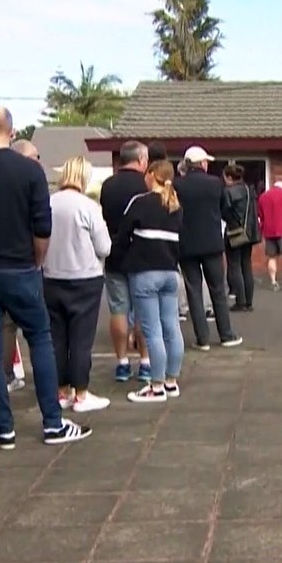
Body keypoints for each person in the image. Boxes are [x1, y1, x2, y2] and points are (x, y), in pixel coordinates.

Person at [0, 106, 89, 448]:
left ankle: (5, 429)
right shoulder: (29, 171)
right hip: (21, 267)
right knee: (39, 338)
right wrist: (37, 258)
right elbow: (42, 223)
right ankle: (52, 423)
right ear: (11, 132)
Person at [44, 156, 112, 413]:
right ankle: (81, 394)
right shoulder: (89, 207)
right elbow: (104, 247)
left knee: (57, 339)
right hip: (85, 279)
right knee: (81, 340)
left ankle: (61, 391)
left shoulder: (47, 203)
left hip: (51, 277)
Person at [119, 161, 187, 403]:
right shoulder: (176, 205)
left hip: (145, 273)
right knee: (172, 327)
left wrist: (119, 261)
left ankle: (156, 386)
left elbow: (122, 235)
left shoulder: (140, 202)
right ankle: (171, 381)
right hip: (170, 272)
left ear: (151, 176)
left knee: (152, 330)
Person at [174, 146, 241, 349]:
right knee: (218, 290)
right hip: (212, 243)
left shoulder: (177, 185)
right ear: (202, 163)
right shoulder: (215, 183)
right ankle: (226, 335)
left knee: (193, 291)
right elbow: (225, 209)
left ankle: (202, 339)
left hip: (186, 244)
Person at [99, 141, 152, 382]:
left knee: (118, 309)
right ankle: (145, 362)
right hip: (141, 253)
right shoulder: (146, 184)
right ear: (141, 160)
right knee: (143, 310)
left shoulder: (108, 185)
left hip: (114, 252)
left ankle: (121, 363)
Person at [222, 164, 260, 311]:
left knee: (234, 265)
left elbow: (225, 212)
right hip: (249, 231)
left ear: (229, 177)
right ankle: (248, 301)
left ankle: (240, 301)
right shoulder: (249, 190)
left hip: (235, 231)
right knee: (246, 265)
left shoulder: (228, 192)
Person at [257, 179, 282, 291]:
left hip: (268, 231)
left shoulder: (263, 196)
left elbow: (260, 214)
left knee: (272, 257)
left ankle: (274, 282)